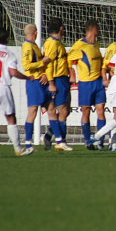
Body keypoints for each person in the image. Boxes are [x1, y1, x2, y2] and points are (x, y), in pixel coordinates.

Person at [68, 19, 106, 150]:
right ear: (91, 30)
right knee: (86, 111)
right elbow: (69, 60)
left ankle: (100, 141)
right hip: (85, 83)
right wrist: (72, 74)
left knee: (101, 110)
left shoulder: (96, 44)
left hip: (98, 83)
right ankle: (88, 140)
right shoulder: (79, 45)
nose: (98, 33)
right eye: (97, 30)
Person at [0, 26, 34, 156]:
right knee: (10, 118)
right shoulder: (9, 54)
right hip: (3, 87)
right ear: (7, 39)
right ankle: (18, 148)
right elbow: (13, 72)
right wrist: (27, 77)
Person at [43, 18, 73, 151]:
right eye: (63, 27)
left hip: (63, 79)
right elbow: (48, 63)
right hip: (57, 80)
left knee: (65, 110)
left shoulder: (57, 43)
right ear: (61, 28)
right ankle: (61, 141)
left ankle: (50, 135)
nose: (65, 29)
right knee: (61, 110)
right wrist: (51, 83)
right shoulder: (52, 44)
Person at [22, 23, 51, 153]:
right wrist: (43, 62)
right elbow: (27, 66)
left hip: (41, 81)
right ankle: (28, 144)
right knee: (33, 111)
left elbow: (38, 66)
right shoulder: (27, 46)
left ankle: (52, 138)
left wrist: (44, 73)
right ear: (36, 33)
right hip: (34, 83)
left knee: (52, 108)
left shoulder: (34, 46)